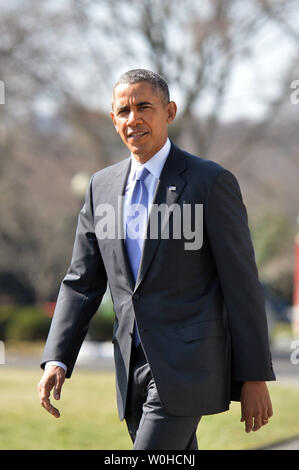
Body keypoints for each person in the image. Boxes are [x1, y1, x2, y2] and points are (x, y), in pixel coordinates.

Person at [38, 69, 275, 450]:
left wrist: (254, 376)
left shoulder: (209, 182)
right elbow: (82, 282)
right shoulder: (101, 187)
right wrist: (57, 359)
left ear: (170, 111)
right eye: (124, 111)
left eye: (144, 107)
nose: (134, 118)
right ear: (113, 120)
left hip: (189, 366)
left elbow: (242, 284)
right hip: (129, 369)